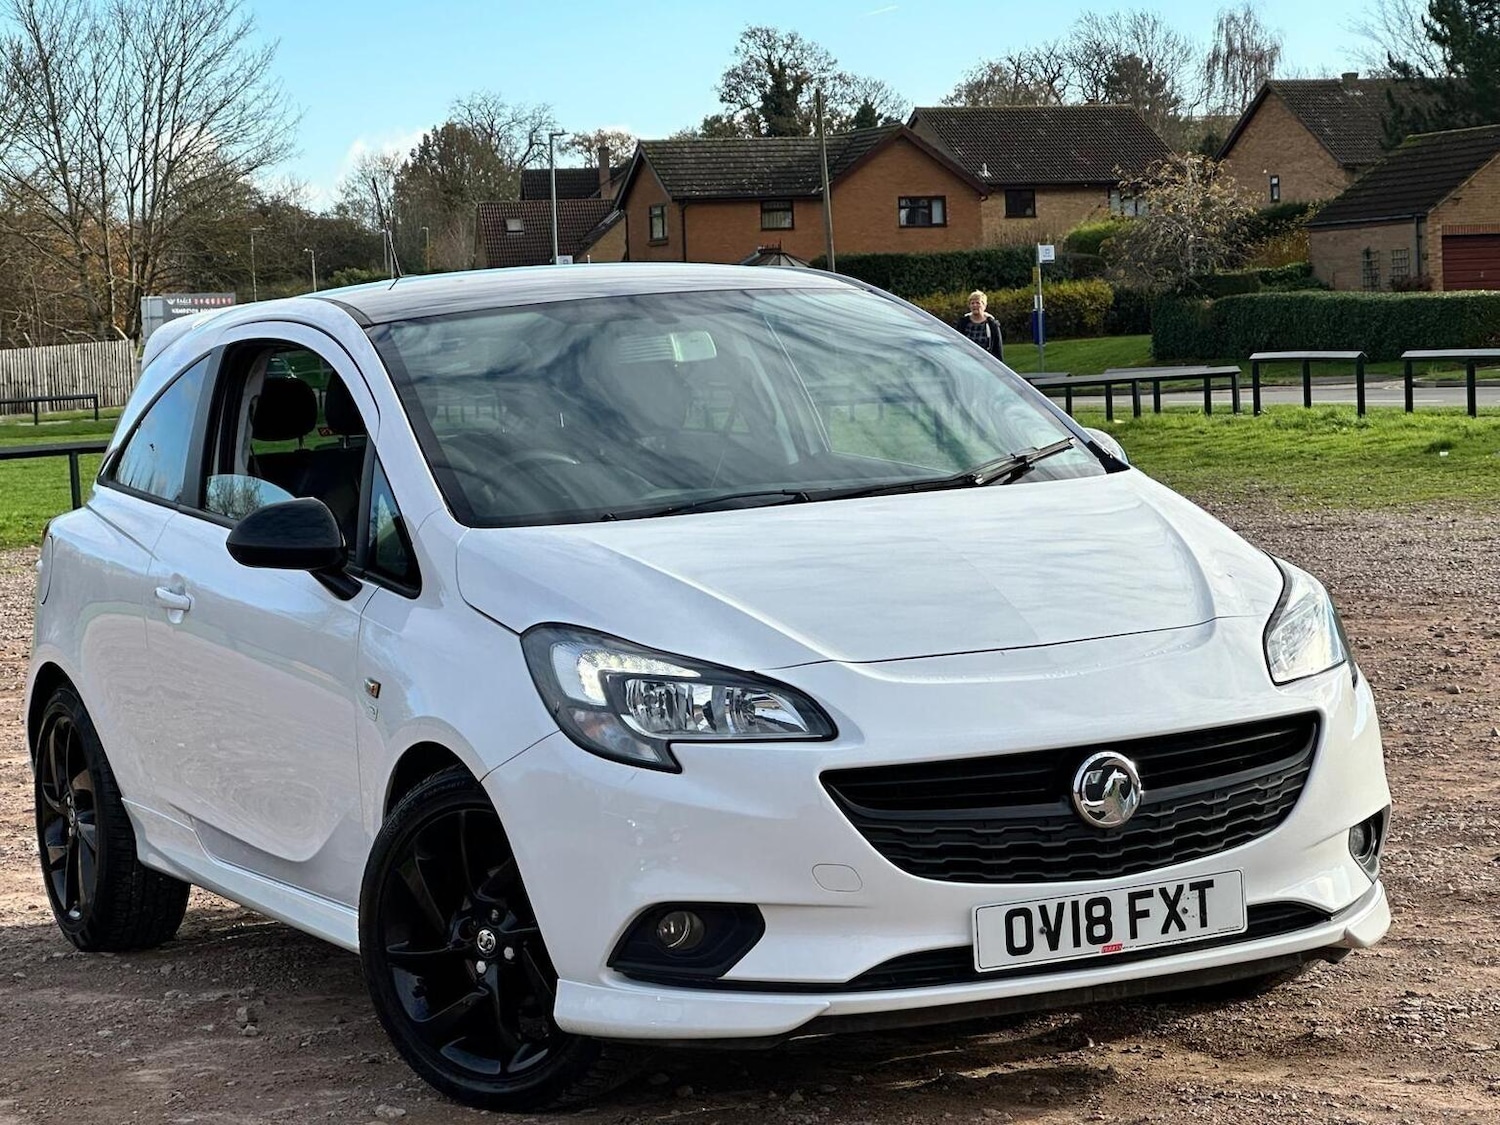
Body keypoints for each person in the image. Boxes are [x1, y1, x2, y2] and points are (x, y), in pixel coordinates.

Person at [954, 290, 1004, 361]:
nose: (975, 305)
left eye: (978, 303)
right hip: (966, 360)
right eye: (972, 303)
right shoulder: (963, 323)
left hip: (985, 362)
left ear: (984, 305)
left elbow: (997, 348)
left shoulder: (992, 325)